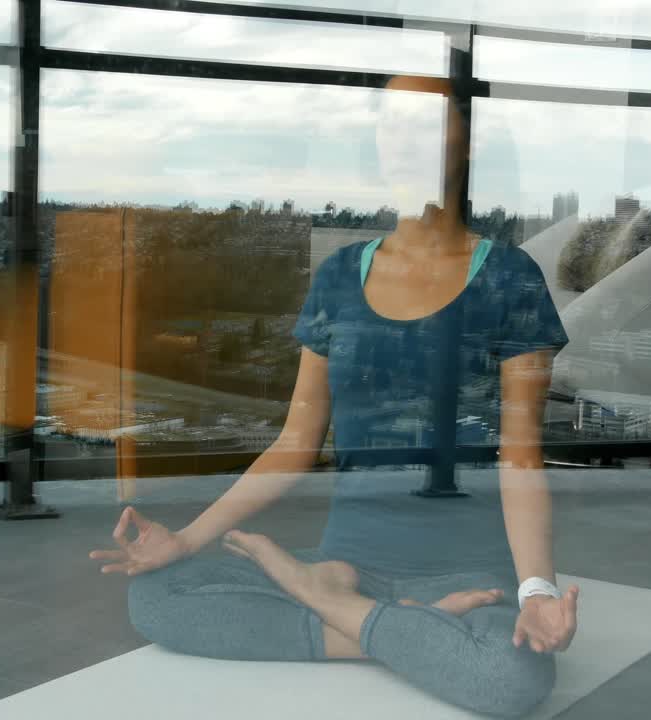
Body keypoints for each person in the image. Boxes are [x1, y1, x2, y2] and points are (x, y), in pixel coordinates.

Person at [89, 76, 580, 719]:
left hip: (467, 577)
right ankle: (395, 628)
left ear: (463, 144)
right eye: (391, 123)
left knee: (513, 681)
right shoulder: (340, 275)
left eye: (425, 123)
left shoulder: (511, 278)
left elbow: (520, 456)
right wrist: (184, 540)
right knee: (156, 595)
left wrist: (536, 589)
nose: (404, 139)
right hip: (347, 562)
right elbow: (294, 444)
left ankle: (334, 606)